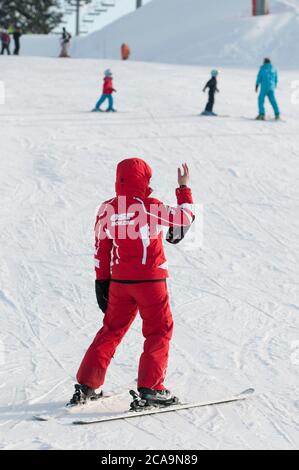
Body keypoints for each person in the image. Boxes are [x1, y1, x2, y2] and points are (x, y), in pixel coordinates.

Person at [69, 159, 195, 407]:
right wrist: (183, 189)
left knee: (111, 330)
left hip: (120, 282)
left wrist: (101, 282)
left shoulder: (107, 209)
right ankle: (151, 388)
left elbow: (101, 248)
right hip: (150, 281)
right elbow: (185, 217)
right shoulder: (150, 206)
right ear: (145, 179)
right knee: (158, 330)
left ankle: (87, 384)